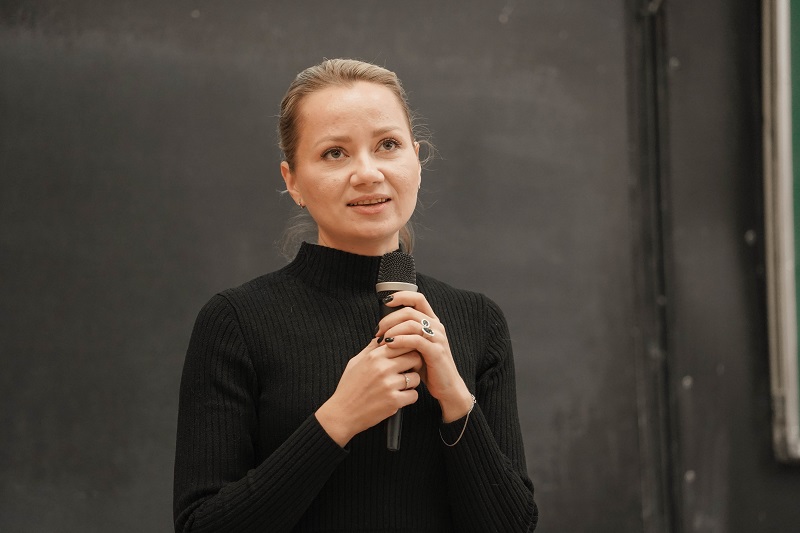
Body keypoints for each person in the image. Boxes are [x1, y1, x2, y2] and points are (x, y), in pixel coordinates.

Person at [173, 58, 538, 532]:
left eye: (388, 145)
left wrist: (453, 395)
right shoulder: (236, 322)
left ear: (417, 162)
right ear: (292, 180)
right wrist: (338, 419)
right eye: (334, 153)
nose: (367, 173)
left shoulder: (477, 321)